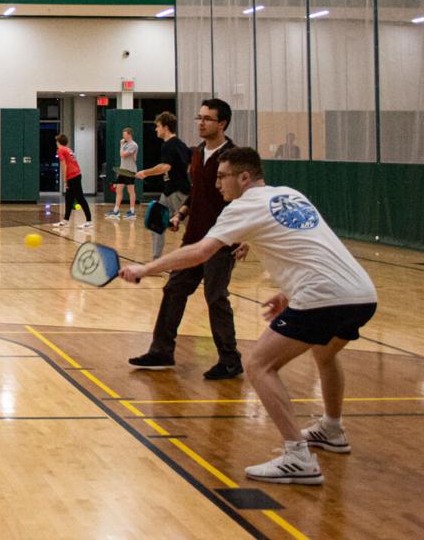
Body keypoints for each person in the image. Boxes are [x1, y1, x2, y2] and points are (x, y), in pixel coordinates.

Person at [122, 147, 376, 486]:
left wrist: (147, 268)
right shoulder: (290, 195)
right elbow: (309, 248)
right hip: (361, 294)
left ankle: (298, 457)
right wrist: (289, 294)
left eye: (222, 177)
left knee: (259, 366)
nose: (217, 185)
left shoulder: (242, 206)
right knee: (325, 352)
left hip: (323, 296)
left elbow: (200, 251)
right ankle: (332, 428)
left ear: (244, 177)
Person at [128, 98, 243, 380]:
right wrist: (181, 213)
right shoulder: (197, 153)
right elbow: (197, 192)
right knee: (174, 289)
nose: (201, 123)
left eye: (207, 119)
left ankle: (230, 360)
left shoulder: (234, 156)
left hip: (221, 240)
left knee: (215, 297)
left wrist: (244, 236)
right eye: (199, 117)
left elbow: (245, 199)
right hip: (193, 239)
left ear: (222, 123)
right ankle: (161, 351)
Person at [133, 112, 191, 259]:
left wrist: (145, 173)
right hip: (168, 192)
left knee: (192, 228)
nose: (156, 129)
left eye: (158, 126)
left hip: (178, 193)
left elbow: (166, 166)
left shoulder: (169, 145)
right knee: (156, 224)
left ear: (166, 127)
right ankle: (156, 260)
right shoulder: (181, 145)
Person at [52, 134, 92, 230]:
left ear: (58, 142)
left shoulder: (60, 150)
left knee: (80, 198)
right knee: (68, 198)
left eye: (56, 141)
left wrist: (65, 180)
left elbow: (64, 165)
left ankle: (89, 221)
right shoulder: (68, 149)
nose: (56, 143)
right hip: (76, 175)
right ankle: (65, 220)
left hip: (73, 176)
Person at [107, 127, 139, 220]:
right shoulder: (125, 144)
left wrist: (121, 144)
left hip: (130, 171)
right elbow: (122, 155)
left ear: (129, 134)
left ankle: (132, 211)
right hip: (123, 170)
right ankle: (116, 211)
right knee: (118, 190)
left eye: (124, 134)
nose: (123, 136)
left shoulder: (133, 145)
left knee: (130, 190)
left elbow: (123, 155)